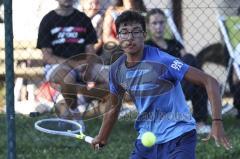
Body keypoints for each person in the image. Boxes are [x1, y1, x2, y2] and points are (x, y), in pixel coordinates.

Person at [92, 10, 232, 158]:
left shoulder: (163, 60)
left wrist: (217, 122)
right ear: (118, 37)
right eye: (124, 32)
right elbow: (114, 107)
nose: (130, 37)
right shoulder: (116, 70)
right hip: (147, 138)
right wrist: (102, 136)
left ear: (144, 36)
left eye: (136, 32)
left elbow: (210, 82)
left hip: (180, 136)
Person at [145, 8, 210, 134]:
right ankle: (198, 121)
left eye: (161, 23)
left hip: (183, 83)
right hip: (164, 87)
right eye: (154, 23)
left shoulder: (174, 43)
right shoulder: (148, 47)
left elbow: (189, 65)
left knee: (195, 72)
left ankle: (199, 122)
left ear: (165, 24)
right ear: (148, 25)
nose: (159, 26)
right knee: (191, 63)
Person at [36, 0, 98, 122]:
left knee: (109, 78)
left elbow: (91, 52)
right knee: (67, 77)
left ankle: (81, 102)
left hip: (82, 65)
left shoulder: (83, 19)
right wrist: (72, 64)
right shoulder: (48, 20)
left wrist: (88, 67)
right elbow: (47, 57)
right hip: (56, 66)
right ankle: (74, 114)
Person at [102, 0, 146, 64]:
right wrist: (122, 44)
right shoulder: (112, 10)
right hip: (116, 46)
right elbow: (106, 37)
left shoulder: (142, 12)